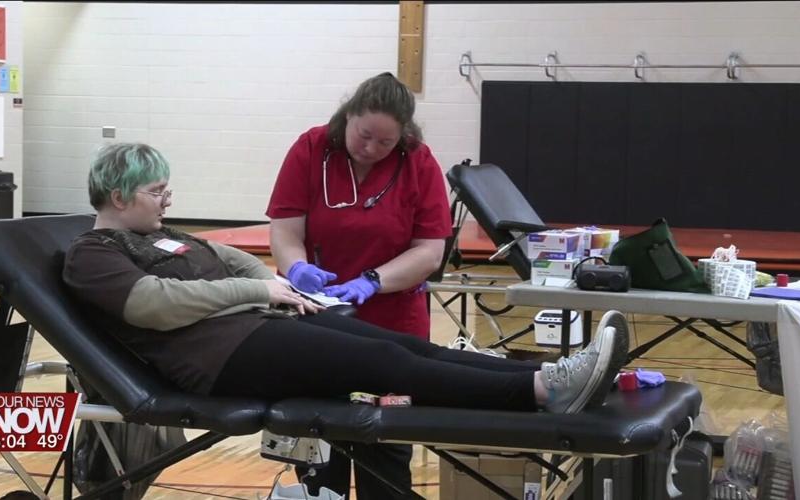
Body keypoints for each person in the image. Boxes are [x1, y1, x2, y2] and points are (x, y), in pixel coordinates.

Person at [62, 143, 630, 497]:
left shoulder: (162, 236)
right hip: (219, 359)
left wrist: (286, 282)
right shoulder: (93, 254)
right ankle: (542, 393)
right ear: (119, 194)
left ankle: (551, 376)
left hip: (258, 328)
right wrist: (256, 287)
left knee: (405, 348)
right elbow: (151, 304)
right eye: (157, 191)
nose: (168, 199)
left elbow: (225, 259)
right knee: (385, 364)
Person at [265, 72, 452, 497]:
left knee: (385, 456)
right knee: (318, 454)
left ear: (403, 136)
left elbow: (429, 251)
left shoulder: (418, 162)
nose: (371, 149)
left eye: (385, 142)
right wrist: (295, 269)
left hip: (392, 325)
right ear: (347, 116)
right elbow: (286, 231)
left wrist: (373, 281)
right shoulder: (310, 149)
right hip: (317, 320)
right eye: (364, 135)